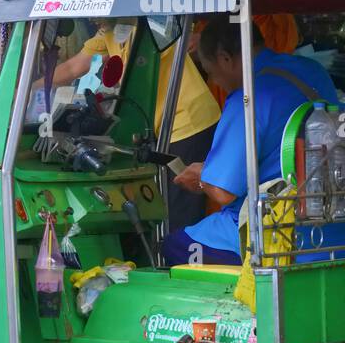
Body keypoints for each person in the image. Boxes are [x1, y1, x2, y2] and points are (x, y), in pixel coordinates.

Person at [162, 15, 345, 266]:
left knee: (173, 245)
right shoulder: (311, 70)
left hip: (274, 231)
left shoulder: (247, 97)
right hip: (333, 225)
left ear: (225, 59)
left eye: (211, 74)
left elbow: (222, 192)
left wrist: (201, 178)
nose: (216, 83)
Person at [51, 19, 220, 230]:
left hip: (188, 120)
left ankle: (182, 259)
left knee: (179, 209)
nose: (92, 19)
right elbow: (73, 67)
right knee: (162, 206)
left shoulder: (150, 24)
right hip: (161, 125)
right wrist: (28, 86)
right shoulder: (108, 30)